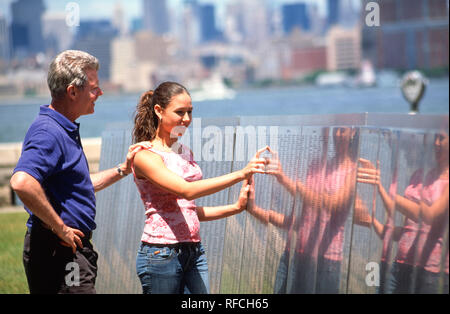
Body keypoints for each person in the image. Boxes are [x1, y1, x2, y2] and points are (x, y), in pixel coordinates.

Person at [10, 50, 148, 294]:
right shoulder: (48, 132)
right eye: (94, 88)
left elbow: (76, 186)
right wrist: (60, 227)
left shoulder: (62, 127)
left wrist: (122, 170)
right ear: (73, 91)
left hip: (65, 249)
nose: (100, 93)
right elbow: (22, 182)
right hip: (59, 251)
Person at [131, 81, 269, 294]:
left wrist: (236, 207)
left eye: (190, 112)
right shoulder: (145, 156)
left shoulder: (184, 152)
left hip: (194, 251)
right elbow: (187, 190)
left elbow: (188, 211)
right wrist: (242, 172)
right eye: (179, 112)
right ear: (158, 111)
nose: (186, 119)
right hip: (160, 254)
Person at [247, 127, 371, 293]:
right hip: (294, 257)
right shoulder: (315, 166)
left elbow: (332, 204)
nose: (337, 135)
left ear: (353, 132)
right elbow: (296, 222)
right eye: (335, 129)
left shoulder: (352, 171)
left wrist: (285, 180)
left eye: (342, 130)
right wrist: (253, 209)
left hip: (325, 263)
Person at [357, 130, 449, 294]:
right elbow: (405, 231)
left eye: (441, 138)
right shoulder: (419, 175)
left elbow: (429, 216)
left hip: (431, 274)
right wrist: (370, 219)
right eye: (435, 137)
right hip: (400, 267)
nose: (436, 143)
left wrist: (383, 189)